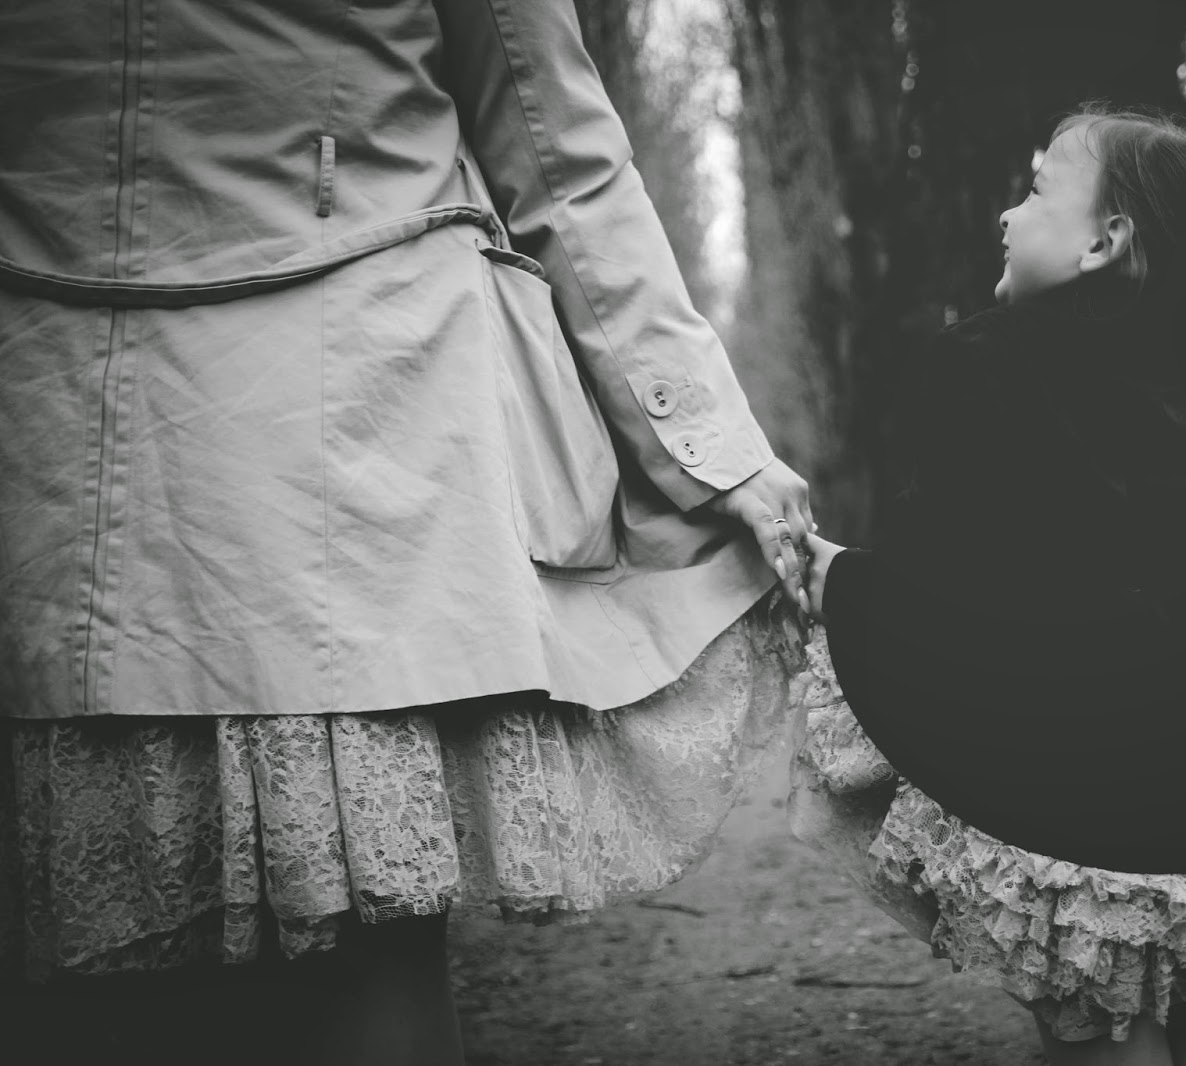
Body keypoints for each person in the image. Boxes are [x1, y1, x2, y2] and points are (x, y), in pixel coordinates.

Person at [0, 1, 809, 1063]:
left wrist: (713, 447)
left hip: (64, 424)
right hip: (365, 425)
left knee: (108, 969)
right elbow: (552, 143)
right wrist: (709, 446)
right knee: (361, 959)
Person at [791, 106, 1186, 1066]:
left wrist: (845, 583)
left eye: (1035, 193)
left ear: (1105, 242)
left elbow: (964, 580)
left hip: (1091, 772)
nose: (1007, 213)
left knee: (1099, 1019)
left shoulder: (988, 363)